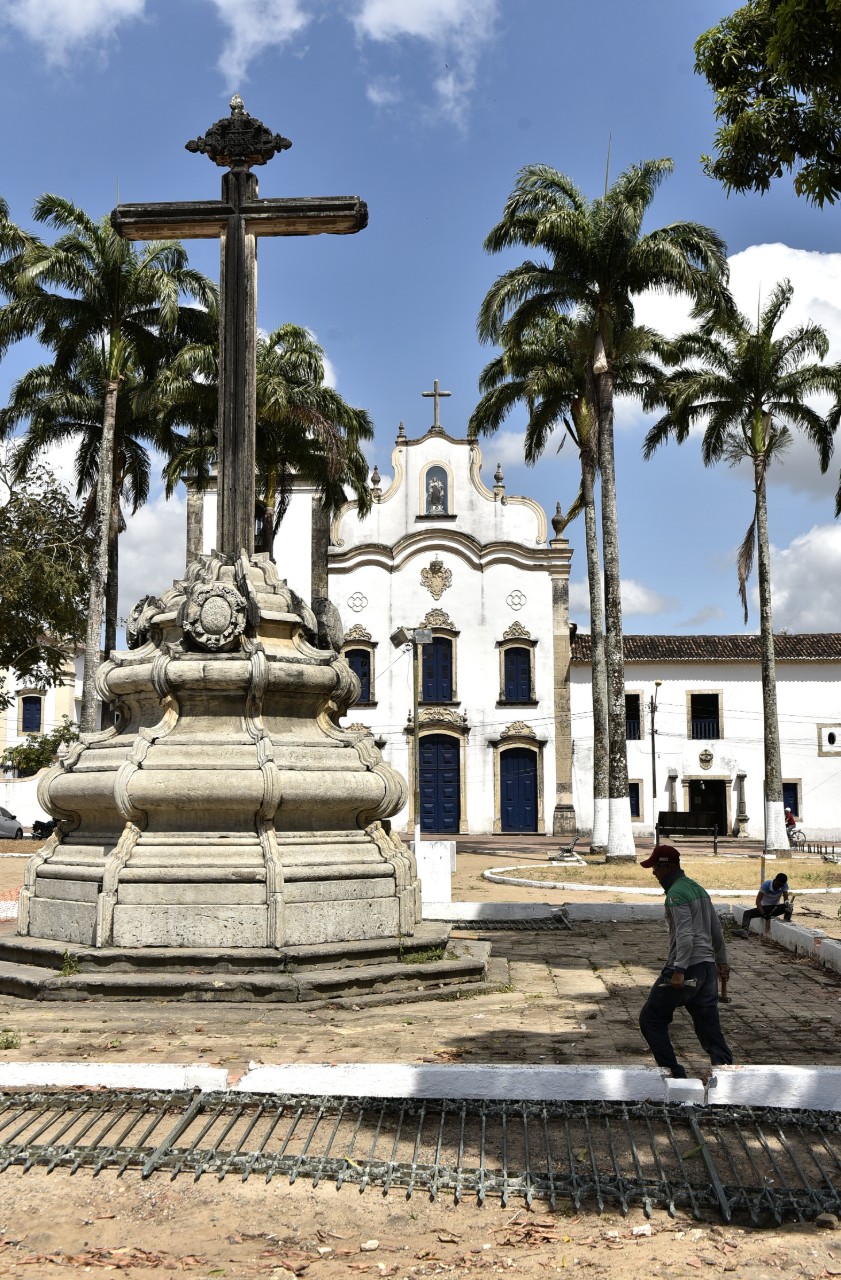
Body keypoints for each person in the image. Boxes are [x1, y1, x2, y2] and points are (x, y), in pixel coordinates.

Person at [638, 844, 733, 1079]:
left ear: (668, 866)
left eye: (656, 868)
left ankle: (674, 1073)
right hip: (707, 969)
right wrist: (721, 962)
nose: (653, 873)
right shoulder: (696, 888)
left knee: (651, 1019)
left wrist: (678, 970)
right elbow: (716, 929)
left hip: (686, 967)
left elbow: (685, 934)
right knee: (708, 1025)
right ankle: (726, 1072)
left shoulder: (676, 894)